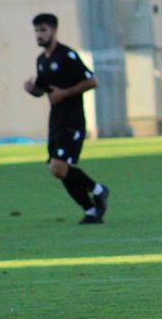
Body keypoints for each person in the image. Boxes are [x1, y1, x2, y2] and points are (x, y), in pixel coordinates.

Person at [23, 13, 110, 224]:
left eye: (43, 30)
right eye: (36, 30)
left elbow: (91, 81)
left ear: (54, 30)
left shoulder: (67, 55)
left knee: (58, 166)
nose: (39, 34)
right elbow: (45, 90)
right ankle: (91, 210)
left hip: (72, 120)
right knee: (59, 170)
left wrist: (65, 93)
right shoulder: (42, 61)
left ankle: (98, 190)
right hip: (56, 122)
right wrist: (33, 90)